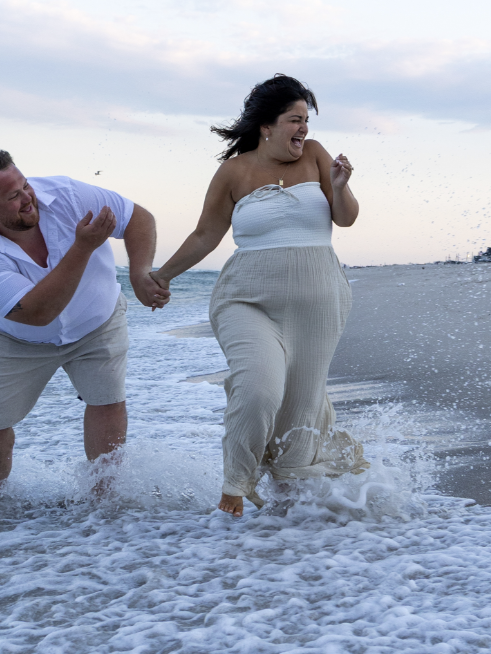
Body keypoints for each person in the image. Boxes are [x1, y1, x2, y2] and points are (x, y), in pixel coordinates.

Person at [150, 75, 365, 515]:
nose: (303, 129)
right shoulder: (235, 171)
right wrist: (163, 276)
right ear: (267, 125)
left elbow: (345, 220)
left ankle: (286, 517)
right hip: (247, 299)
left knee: (300, 410)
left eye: (306, 120)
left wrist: (339, 186)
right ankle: (236, 484)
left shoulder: (319, 156)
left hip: (319, 303)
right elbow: (207, 233)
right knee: (258, 388)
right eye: (294, 120)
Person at [0, 149, 169, 490]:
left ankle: (104, 504)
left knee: (106, 402)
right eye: (13, 196)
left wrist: (139, 272)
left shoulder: (68, 194)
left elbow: (138, 218)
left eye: (25, 186)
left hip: (96, 320)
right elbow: (38, 313)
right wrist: (83, 247)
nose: (27, 198)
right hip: (12, 336)